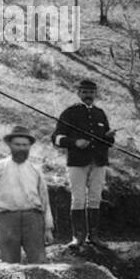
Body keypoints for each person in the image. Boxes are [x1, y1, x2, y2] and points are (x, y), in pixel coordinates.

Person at [0, 126, 55, 263]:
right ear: (9, 145)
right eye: (17, 145)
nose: (21, 148)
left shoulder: (35, 170)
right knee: (10, 265)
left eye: (25, 145)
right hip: (7, 220)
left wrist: (48, 228)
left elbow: (45, 201)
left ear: (30, 147)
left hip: (33, 220)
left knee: (39, 262)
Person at [52, 79, 114, 248]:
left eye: (91, 92)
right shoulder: (69, 113)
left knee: (95, 198)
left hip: (99, 162)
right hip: (77, 162)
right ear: (78, 93)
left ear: (95, 94)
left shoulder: (100, 114)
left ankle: (93, 237)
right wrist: (75, 142)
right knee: (78, 198)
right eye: (85, 92)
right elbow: (56, 138)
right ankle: (78, 237)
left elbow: (109, 142)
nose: (88, 95)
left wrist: (109, 137)